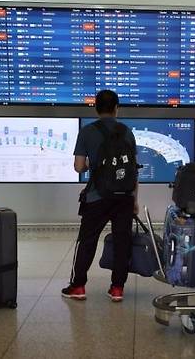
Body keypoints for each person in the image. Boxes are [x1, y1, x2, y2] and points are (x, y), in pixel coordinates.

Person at [62, 90, 138, 303]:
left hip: (97, 196)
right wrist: (135, 200)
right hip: (124, 196)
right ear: (116, 108)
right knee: (122, 241)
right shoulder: (127, 132)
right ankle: (117, 289)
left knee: (87, 241)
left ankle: (78, 286)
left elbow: (78, 167)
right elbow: (133, 169)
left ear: (96, 108)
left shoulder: (87, 131)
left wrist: (92, 164)